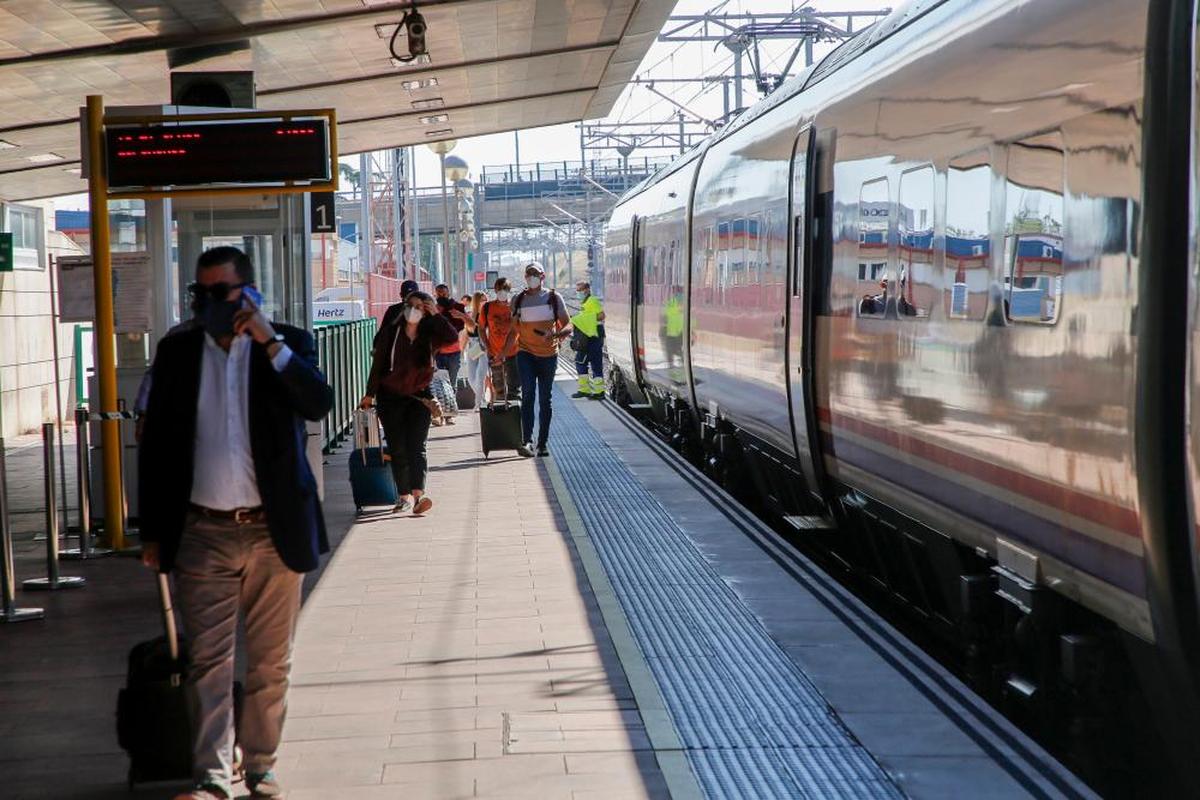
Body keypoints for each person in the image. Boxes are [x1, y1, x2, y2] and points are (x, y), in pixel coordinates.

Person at [138, 246, 334, 800]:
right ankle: (212, 776)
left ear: (247, 293)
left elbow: (318, 401)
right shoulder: (177, 351)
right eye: (200, 294)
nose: (208, 304)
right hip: (204, 530)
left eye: (219, 293)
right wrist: (153, 531)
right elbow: (158, 447)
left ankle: (262, 765)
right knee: (210, 661)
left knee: (272, 660)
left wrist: (267, 342)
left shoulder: (288, 344)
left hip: (274, 531)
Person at [361, 290, 458, 515]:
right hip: (390, 396)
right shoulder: (391, 333)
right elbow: (378, 365)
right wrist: (369, 394)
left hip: (419, 397)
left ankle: (418, 496)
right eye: (411, 305)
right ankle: (403, 496)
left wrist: (435, 314)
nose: (414, 310)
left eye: (420, 307)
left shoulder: (430, 336)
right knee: (398, 447)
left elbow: (452, 338)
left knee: (418, 447)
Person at [504, 263, 571, 457]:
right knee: (528, 395)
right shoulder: (518, 300)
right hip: (525, 353)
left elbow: (569, 324)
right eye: (528, 274)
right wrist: (501, 354)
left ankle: (543, 443)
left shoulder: (553, 297)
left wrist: (556, 335)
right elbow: (514, 331)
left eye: (535, 274)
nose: (531, 277)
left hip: (548, 355)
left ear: (542, 276)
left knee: (545, 399)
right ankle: (527, 441)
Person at [478, 277, 520, 402]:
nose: (502, 291)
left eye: (505, 289)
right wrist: (487, 346)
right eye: (499, 289)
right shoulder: (487, 308)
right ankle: (502, 415)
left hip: (513, 353)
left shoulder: (515, 307)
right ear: (495, 290)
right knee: (498, 388)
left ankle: (515, 416)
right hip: (494, 354)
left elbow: (517, 329)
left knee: (514, 389)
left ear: (509, 290)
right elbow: (481, 328)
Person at [571, 280, 606, 399]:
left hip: (594, 336)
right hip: (587, 336)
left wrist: (584, 319)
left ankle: (599, 392)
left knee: (595, 363)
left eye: (579, 290)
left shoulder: (593, 301)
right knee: (581, 361)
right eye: (577, 290)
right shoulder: (584, 302)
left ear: (586, 290)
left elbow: (601, 316)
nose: (578, 293)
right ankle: (584, 389)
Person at [433, 283, 466, 386]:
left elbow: (461, 326)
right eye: (439, 294)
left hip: (454, 352)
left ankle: (453, 402)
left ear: (448, 294)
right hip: (439, 352)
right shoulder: (434, 310)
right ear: (436, 295)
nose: (442, 296)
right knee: (441, 384)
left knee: (452, 384)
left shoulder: (457, 307)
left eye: (444, 294)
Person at [463, 291, 490, 407]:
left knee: (480, 376)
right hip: (473, 346)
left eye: (486, 300)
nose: (485, 302)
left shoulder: (488, 314)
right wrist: (462, 348)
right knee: (470, 377)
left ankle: (478, 403)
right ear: (476, 302)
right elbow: (467, 333)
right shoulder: (471, 315)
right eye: (482, 300)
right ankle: (482, 399)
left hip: (484, 346)